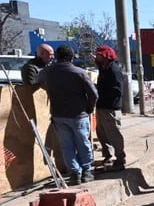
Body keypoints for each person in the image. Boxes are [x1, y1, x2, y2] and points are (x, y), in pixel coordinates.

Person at [37, 45, 98, 186]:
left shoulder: (48, 72)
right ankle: (87, 171)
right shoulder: (80, 73)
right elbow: (93, 94)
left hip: (59, 115)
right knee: (83, 143)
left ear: (57, 57)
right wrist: (89, 108)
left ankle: (75, 173)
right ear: (71, 57)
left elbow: (34, 80)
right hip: (79, 115)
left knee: (67, 146)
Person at [94, 45, 126, 171]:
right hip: (102, 106)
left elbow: (117, 90)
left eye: (99, 55)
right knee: (102, 133)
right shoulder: (104, 68)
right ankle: (108, 156)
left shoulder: (114, 70)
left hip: (110, 108)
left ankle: (120, 159)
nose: (97, 57)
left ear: (105, 56)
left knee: (114, 134)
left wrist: (100, 91)